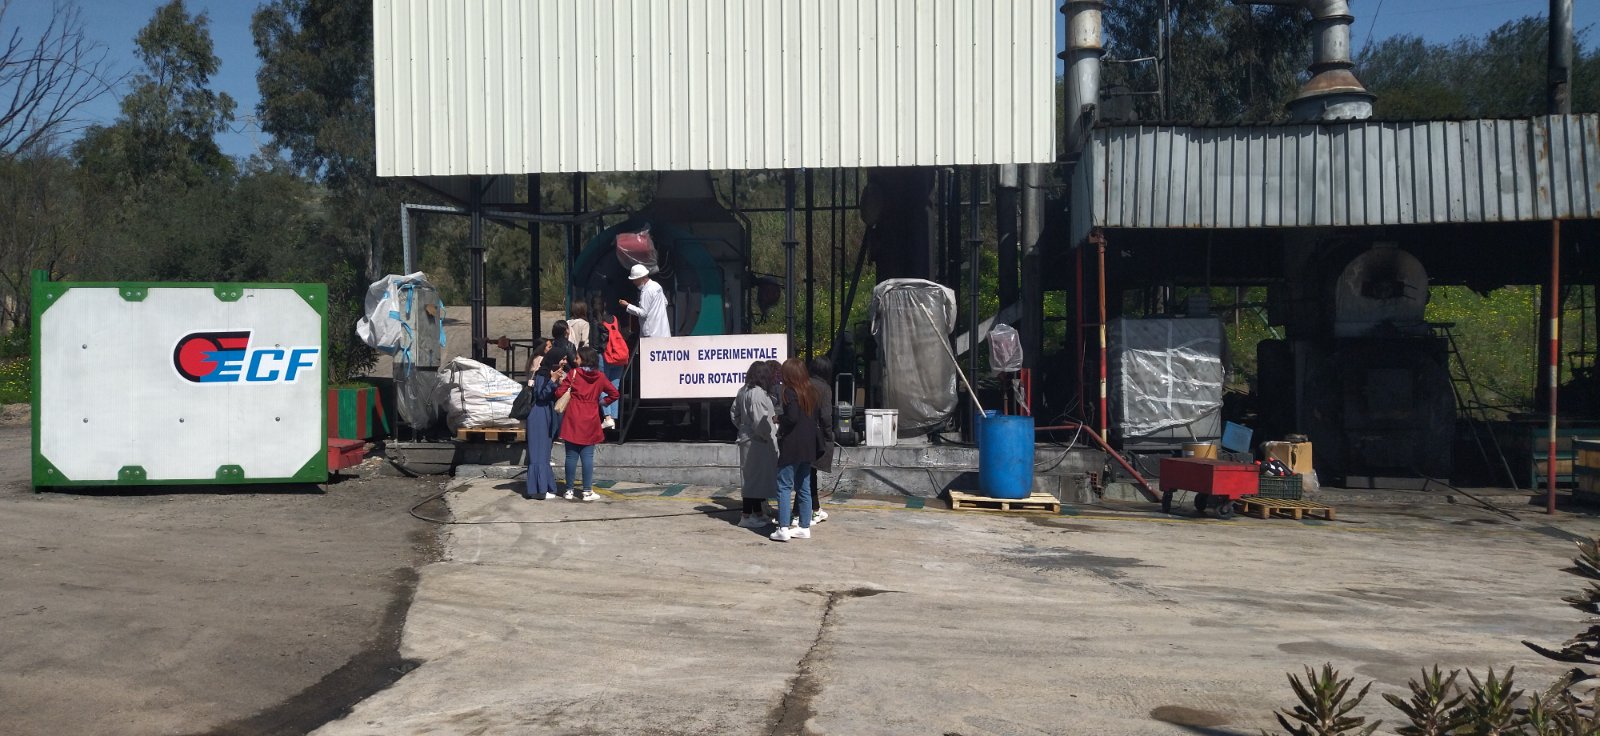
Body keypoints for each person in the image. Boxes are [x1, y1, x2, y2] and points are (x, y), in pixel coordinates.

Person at [554, 346, 619, 501]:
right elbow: (614, 393)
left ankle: (569, 490)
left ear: (583, 358)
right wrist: (602, 402)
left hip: (573, 416)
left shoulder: (573, 373)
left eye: (577, 357)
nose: (575, 359)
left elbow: (558, 393)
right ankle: (587, 491)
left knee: (570, 456)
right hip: (591, 416)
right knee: (588, 457)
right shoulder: (601, 376)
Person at [771, 358, 824, 542]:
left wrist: (779, 419)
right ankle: (804, 526)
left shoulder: (789, 392)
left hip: (792, 445)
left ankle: (783, 527)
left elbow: (792, 418)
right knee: (804, 487)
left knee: (784, 486)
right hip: (808, 446)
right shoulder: (812, 392)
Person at [731, 361, 779, 529]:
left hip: (746, 438)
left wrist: (743, 428)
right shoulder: (758, 394)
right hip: (757, 442)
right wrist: (766, 435)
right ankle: (746, 516)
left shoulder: (743, 390)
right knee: (754, 480)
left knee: (752, 478)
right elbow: (760, 421)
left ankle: (758, 513)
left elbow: (734, 414)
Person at [521, 338, 564, 500]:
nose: (564, 362)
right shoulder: (542, 374)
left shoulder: (549, 373)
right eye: (562, 358)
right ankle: (538, 490)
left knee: (544, 453)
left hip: (545, 413)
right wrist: (553, 381)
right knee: (539, 453)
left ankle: (544, 486)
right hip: (539, 414)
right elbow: (541, 395)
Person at [802, 356, 835, 526]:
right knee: (810, 474)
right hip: (817, 436)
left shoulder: (804, 385)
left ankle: (814, 509)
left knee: (806, 473)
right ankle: (806, 512)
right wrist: (829, 435)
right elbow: (825, 416)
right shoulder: (824, 388)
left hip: (801, 435)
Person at [598, 304, 629, 430]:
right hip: (619, 357)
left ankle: (608, 417)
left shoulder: (597, 321)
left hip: (605, 356)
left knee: (602, 386)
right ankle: (614, 419)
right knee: (614, 388)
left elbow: (596, 342)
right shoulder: (615, 319)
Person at [618, 264, 671, 338]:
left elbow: (643, 313)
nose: (634, 282)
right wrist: (655, 314)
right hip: (663, 332)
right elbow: (665, 303)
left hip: (652, 335)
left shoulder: (646, 291)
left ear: (641, 278)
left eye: (635, 280)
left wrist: (627, 305)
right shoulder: (656, 285)